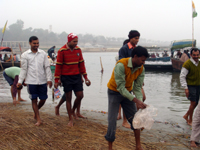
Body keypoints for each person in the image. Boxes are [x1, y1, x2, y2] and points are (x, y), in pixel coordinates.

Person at [105, 46, 149, 150]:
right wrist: (136, 100)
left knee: (135, 119)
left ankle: (138, 146)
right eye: (142, 60)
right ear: (135, 56)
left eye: (145, 60)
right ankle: (110, 147)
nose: (143, 62)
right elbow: (120, 87)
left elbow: (138, 87)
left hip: (128, 92)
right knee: (112, 121)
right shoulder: (121, 65)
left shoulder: (141, 68)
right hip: (114, 92)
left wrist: (140, 102)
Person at [54, 33, 91, 127]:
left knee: (80, 95)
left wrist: (85, 77)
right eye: (74, 41)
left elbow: (81, 64)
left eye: (77, 42)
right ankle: (70, 119)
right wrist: (57, 79)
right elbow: (58, 66)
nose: (75, 43)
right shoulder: (62, 51)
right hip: (66, 77)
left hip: (77, 76)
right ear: (69, 41)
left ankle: (73, 111)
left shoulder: (78, 50)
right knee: (68, 97)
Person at [17, 36, 52, 126]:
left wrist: (49, 79)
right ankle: (38, 118)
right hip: (31, 81)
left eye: (37, 43)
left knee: (43, 99)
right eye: (34, 43)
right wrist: (20, 81)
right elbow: (24, 69)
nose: (36, 45)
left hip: (42, 80)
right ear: (30, 43)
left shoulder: (43, 54)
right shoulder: (25, 55)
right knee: (34, 100)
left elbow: (47, 67)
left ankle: (36, 112)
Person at [118, 30, 146, 129]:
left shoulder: (137, 49)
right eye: (135, 38)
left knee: (141, 97)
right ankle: (125, 120)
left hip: (135, 76)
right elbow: (121, 63)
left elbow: (140, 67)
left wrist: (140, 79)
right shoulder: (124, 49)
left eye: (138, 38)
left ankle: (137, 118)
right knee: (126, 97)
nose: (137, 40)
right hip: (126, 77)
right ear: (130, 38)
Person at [180, 48, 200, 126]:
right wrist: (186, 88)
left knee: (196, 103)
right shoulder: (187, 64)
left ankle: (186, 115)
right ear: (190, 55)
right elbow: (182, 76)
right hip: (190, 85)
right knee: (193, 102)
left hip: (198, 85)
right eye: (194, 55)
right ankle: (190, 119)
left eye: (197, 55)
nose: (196, 56)